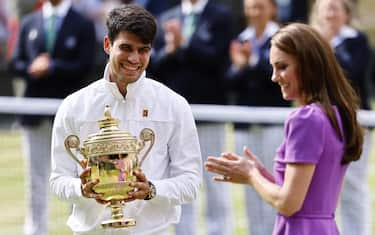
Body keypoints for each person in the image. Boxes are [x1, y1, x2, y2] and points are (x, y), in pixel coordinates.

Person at [50, 4, 202, 235]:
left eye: (143, 50)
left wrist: (151, 189)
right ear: (107, 45)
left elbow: (191, 182)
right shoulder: (74, 105)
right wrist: (80, 188)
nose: (134, 58)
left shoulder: (173, 104)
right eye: (126, 47)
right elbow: (58, 179)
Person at [205, 22, 364, 235]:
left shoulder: (305, 119)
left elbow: (289, 204)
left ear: (308, 64)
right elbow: (309, 198)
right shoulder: (336, 114)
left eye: (282, 67)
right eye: (273, 67)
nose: (274, 77)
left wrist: (252, 175)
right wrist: (260, 175)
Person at [9, 0, 96, 234]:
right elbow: (15, 63)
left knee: (78, 179)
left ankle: (79, 228)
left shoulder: (82, 23)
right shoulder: (29, 22)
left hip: (71, 118)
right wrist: (31, 68)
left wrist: (53, 67)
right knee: (35, 181)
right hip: (34, 115)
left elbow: (86, 65)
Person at [148, 1, 234, 234]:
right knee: (180, 181)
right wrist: (171, 50)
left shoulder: (221, 16)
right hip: (175, 118)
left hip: (210, 113)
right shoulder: (166, 17)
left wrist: (186, 44)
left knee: (215, 184)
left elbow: (219, 60)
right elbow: (154, 65)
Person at [225, 0, 290, 234]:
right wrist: (240, 67)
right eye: (251, 6)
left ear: (272, 8)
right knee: (250, 185)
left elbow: (279, 78)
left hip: (273, 121)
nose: (255, 12)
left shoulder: (283, 38)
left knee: (275, 181)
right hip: (245, 122)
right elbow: (229, 81)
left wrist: (250, 63)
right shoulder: (241, 37)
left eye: (260, 6)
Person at [310, 0, 372, 234]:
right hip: (321, 121)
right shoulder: (312, 42)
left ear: (346, 13)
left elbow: (351, 72)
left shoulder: (357, 41)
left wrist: (327, 46)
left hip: (353, 121)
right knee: (323, 186)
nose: (329, 13)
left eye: (335, 8)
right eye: (325, 8)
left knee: (353, 185)